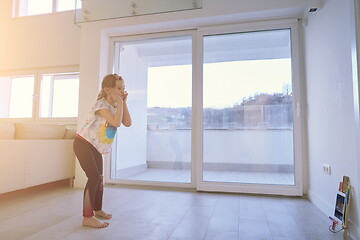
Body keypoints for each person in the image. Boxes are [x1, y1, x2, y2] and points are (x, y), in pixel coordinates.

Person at [73, 73, 131, 228]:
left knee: (99, 178)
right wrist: (119, 102)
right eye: (119, 88)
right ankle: (87, 217)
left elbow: (128, 123)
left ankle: (97, 209)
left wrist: (123, 104)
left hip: (95, 147)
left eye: (123, 88)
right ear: (107, 89)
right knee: (93, 177)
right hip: (83, 144)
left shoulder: (116, 107)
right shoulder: (101, 105)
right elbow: (116, 123)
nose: (122, 91)